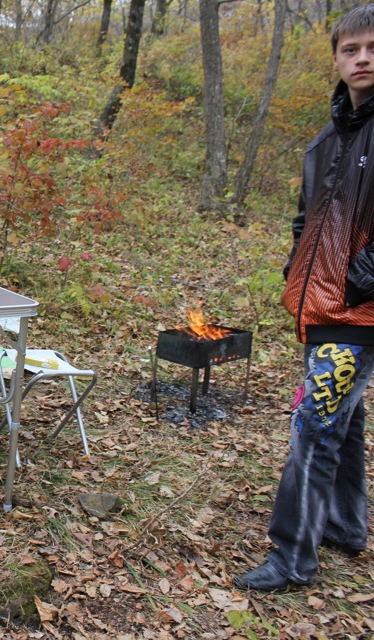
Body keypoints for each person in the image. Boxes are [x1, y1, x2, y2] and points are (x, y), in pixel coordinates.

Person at [233, 4, 374, 592]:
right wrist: (299, 268)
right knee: (343, 417)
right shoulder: (325, 140)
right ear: (336, 59)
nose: (362, 58)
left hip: (360, 310)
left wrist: (361, 277)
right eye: (351, 49)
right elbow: (305, 217)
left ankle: (292, 559)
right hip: (323, 306)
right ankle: (344, 525)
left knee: (314, 425)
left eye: (373, 47)